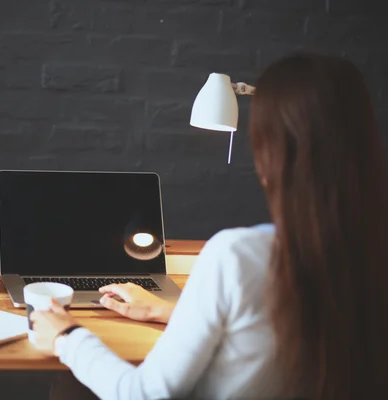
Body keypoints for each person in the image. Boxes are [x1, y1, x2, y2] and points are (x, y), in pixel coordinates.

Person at [30, 53, 388, 399]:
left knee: (72, 386)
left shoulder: (238, 256)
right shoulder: (366, 257)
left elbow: (144, 394)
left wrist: (67, 335)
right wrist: (177, 312)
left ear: (270, 157)